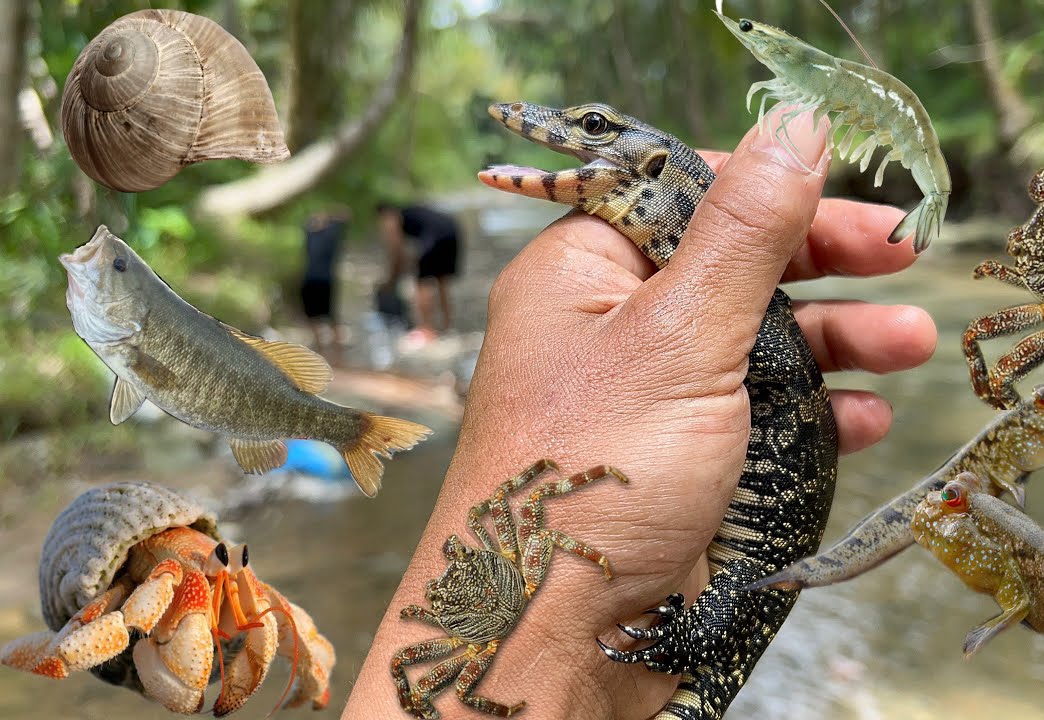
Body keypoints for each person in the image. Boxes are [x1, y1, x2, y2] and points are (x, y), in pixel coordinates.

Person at [344, 113, 937, 718]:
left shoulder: (754, 324)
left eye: (595, 127)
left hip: (753, 567)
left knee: (735, 604)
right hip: (717, 562)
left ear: (653, 167)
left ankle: (681, 647)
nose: (555, 128)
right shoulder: (729, 314)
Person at [376, 201, 461, 347]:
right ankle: (447, 327)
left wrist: (390, 281)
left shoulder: (390, 217)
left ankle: (427, 329)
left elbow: (397, 252)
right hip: (452, 229)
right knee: (441, 280)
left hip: (434, 235)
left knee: (421, 283)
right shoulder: (411, 211)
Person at [299, 208, 349, 359]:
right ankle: (321, 348)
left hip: (324, 279)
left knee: (330, 316)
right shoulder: (311, 233)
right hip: (311, 278)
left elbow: (344, 216)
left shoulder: (331, 234)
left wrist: (329, 217)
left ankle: (337, 351)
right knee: (312, 315)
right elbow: (307, 223)